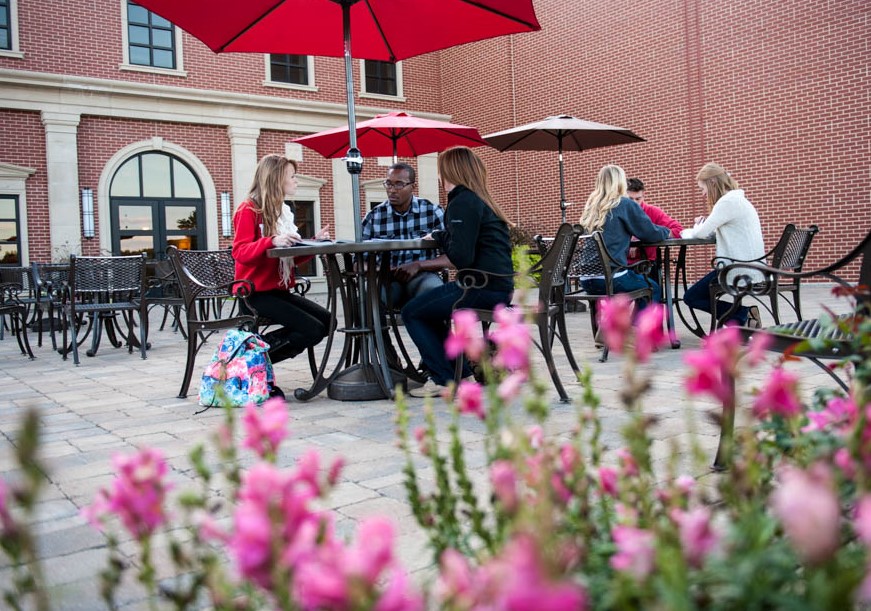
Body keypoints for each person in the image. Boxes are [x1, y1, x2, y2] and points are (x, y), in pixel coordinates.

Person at [402, 147, 514, 398]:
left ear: (449, 172)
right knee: (429, 310)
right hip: (498, 287)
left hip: (479, 288)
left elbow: (461, 257)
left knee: (412, 312)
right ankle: (459, 374)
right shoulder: (478, 200)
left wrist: (438, 241)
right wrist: (443, 235)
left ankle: (444, 379)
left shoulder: (461, 203)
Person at [232, 154, 332, 398]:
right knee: (311, 329)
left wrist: (312, 245)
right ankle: (250, 368)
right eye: (292, 176)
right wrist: (271, 240)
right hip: (254, 293)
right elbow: (240, 252)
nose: (296, 181)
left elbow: (285, 258)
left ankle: (253, 358)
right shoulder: (249, 210)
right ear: (277, 179)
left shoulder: (281, 212)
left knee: (328, 322)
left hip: (276, 291)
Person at [680, 162, 765, 327]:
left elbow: (700, 234)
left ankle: (743, 314)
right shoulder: (737, 200)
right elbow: (718, 229)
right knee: (697, 294)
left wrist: (694, 227)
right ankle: (742, 320)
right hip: (751, 266)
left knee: (691, 297)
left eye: (702, 188)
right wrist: (705, 223)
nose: (703, 194)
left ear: (712, 183)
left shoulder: (727, 202)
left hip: (739, 268)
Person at [578, 165, 671, 305]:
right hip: (611, 278)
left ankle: (613, 326)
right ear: (620, 182)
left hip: (586, 280)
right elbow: (650, 233)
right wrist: (666, 231)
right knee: (652, 288)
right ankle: (636, 327)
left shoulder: (591, 207)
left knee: (634, 281)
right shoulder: (624, 203)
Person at [362, 162, 449, 308]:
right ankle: (379, 331)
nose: (392, 190)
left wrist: (419, 265)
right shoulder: (374, 216)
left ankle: (431, 331)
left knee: (433, 290)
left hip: (423, 276)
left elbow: (450, 258)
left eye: (399, 184)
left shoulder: (432, 212)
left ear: (412, 187)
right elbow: (359, 262)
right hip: (387, 280)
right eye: (388, 184)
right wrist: (381, 271)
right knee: (369, 293)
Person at [625, 177, 684, 271]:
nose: (634, 203)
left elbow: (678, 230)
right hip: (622, 265)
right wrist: (631, 242)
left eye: (638, 199)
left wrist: (643, 237)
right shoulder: (617, 213)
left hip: (647, 265)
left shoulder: (653, 211)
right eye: (630, 199)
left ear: (643, 196)